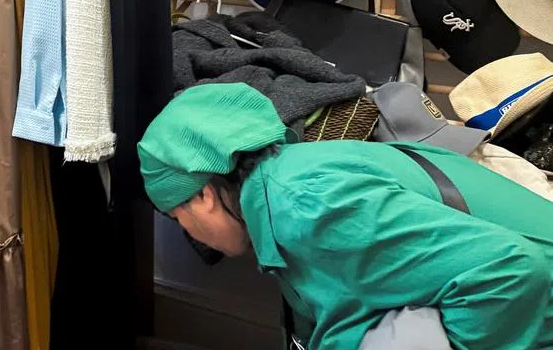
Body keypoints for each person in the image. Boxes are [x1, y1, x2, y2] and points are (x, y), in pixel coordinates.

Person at [138, 83, 553, 350]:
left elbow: (513, 272)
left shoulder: (304, 203)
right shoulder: (299, 173)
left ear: (205, 196)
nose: (192, 234)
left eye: (178, 217)